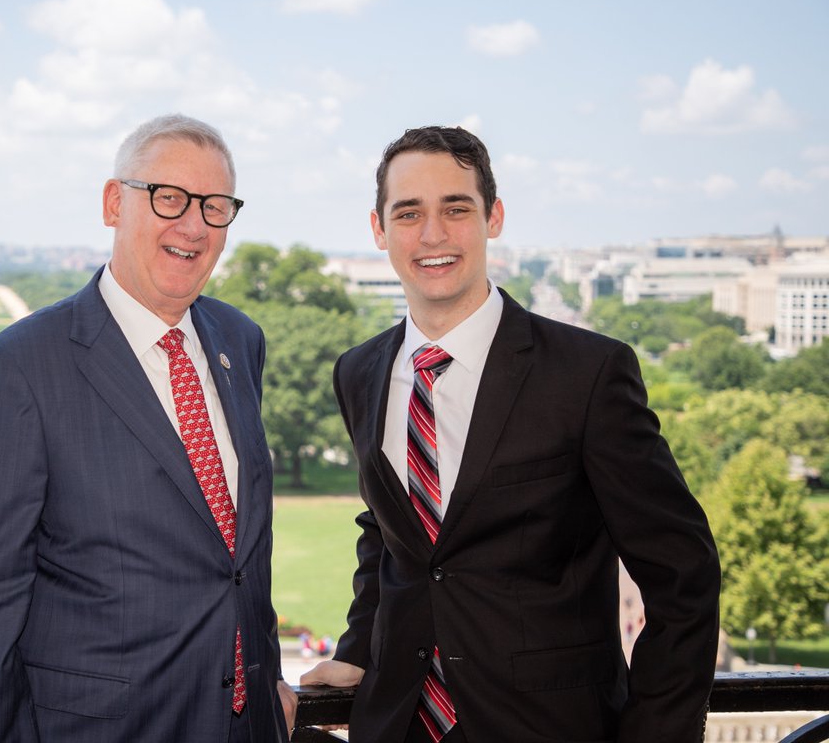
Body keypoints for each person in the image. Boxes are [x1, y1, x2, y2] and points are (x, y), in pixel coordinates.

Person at [301, 125, 721, 742]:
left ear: (493, 217)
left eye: (456, 208)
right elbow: (388, 531)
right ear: (378, 229)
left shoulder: (587, 374)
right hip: (398, 724)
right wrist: (358, 647)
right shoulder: (358, 372)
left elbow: (683, 574)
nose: (432, 234)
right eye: (409, 213)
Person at [0, 114, 297, 742]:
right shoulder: (18, 368)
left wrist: (268, 682)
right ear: (113, 203)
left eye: (215, 206)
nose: (193, 225)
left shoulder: (240, 340)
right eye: (168, 197)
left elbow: (240, 558)